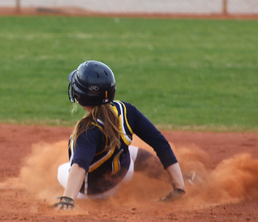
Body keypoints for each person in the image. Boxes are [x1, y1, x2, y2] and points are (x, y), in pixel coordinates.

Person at [53, 60, 186, 209]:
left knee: (63, 169)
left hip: (91, 192)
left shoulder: (87, 129)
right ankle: (183, 180)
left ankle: (73, 194)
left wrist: (67, 199)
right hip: (124, 174)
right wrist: (179, 187)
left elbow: (79, 165)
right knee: (130, 151)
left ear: (81, 97)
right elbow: (160, 143)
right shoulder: (126, 110)